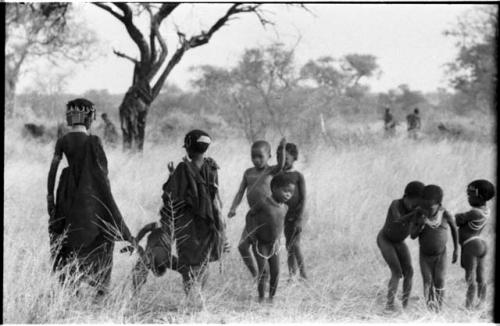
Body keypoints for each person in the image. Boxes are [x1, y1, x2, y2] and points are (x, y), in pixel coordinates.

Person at [47, 98, 135, 296]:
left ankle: (71, 285)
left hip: (66, 193)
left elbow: (52, 170)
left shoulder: (63, 141)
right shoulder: (93, 141)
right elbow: (102, 172)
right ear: (89, 117)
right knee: (100, 234)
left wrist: (49, 198)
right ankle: (101, 287)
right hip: (92, 194)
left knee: (66, 235)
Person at [159, 129, 226, 294]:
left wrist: (171, 175)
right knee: (203, 259)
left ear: (188, 148)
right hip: (208, 219)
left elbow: (171, 193)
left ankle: (190, 295)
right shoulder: (212, 167)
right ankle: (200, 295)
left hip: (187, 222)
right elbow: (216, 196)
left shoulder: (183, 168)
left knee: (187, 260)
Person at [227, 138, 286, 278]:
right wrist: (233, 207)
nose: (256, 160)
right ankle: (255, 274)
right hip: (254, 216)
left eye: (260, 156)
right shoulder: (248, 173)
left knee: (268, 249)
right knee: (242, 246)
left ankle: (267, 276)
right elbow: (241, 191)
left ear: (269, 156)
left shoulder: (271, 171)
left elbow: (281, 165)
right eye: (253, 156)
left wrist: (281, 149)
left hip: (269, 218)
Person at [246, 173, 296, 303]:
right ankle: (261, 298)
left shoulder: (285, 207)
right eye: (285, 191)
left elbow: (280, 225)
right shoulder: (264, 203)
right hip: (260, 244)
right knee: (264, 273)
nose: (288, 195)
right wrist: (251, 232)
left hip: (274, 246)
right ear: (274, 188)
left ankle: (271, 298)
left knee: (276, 272)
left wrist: (282, 239)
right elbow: (250, 214)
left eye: (291, 192)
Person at [377, 181, 425, 311]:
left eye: (418, 203)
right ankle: (389, 305)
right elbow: (398, 220)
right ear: (406, 196)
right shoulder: (396, 204)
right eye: (414, 202)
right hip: (385, 239)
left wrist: (420, 224)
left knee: (409, 272)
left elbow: (413, 235)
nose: (415, 206)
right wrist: (415, 214)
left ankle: (404, 305)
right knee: (397, 272)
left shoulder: (417, 211)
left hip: (399, 242)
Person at [410, 185, 458, 312]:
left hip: (441, 254)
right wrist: (420, 226)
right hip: (424, 255)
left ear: (439, 204)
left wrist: (456, 249)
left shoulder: (445, 214)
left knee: (440, 281)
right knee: (427, 282)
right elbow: (412, 236)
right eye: (424, 206)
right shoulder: (419, 213)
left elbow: (454, 229)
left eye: (430, 207)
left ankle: (439, 309)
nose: (427, 210)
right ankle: (429, 310)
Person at [455, 180, 495, 309]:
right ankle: (482, 302)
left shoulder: (474, 213)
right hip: (480, 243)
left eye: (470, 194)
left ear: (480, 196)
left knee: (470, 277)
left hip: (471, 245)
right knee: (480, 276)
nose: (468, 197)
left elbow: (457, 219)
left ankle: (469, 305)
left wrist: (457, 217)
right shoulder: (486, 211)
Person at [277, 142, 307, 280]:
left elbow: (303, 197)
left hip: (297, 214)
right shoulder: (278, 175)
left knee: (295, 244)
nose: (283, 161)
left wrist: (300, 218)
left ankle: (303, 274)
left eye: (286, 158)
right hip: (285, 216)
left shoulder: (298, 176)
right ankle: (292, 274)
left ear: (294, 158)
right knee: (289, 245)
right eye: (281, 158)